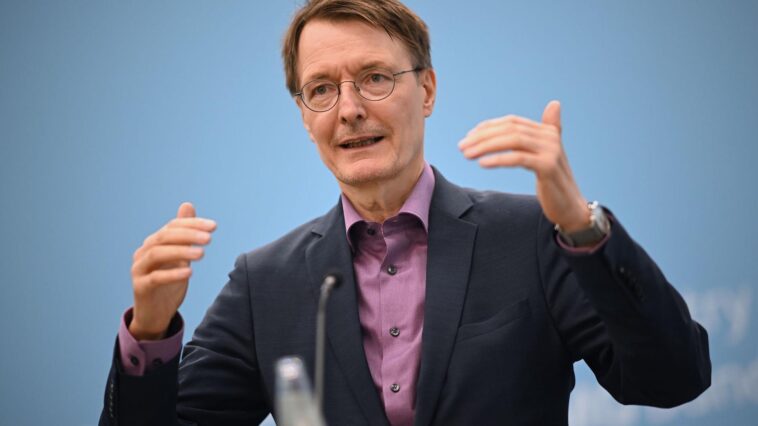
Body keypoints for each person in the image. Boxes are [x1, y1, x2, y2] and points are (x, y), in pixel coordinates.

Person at [99, 1, 711, 425]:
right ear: (304, 117)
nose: (349, 109)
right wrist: (150, 331)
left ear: (428, 90)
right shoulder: (267, 284)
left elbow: (673, 379)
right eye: (322, 89)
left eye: (374, 78)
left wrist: (581, 227)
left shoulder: (527, 237)